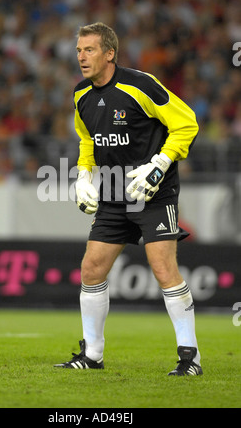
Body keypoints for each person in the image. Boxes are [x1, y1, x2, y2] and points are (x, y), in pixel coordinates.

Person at [54, 22, 202, 376]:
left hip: (154, 192)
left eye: (89, 50)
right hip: (113, 195)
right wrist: (84, 175)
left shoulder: (141, 85)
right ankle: (92, 355)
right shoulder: (81, 95)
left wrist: (159, 164)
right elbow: (88, 140)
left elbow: (187, 123)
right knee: (91, 269)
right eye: (78, 50)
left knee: (164, 269)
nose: (81, 57)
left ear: (109, 53)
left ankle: (190, 358)